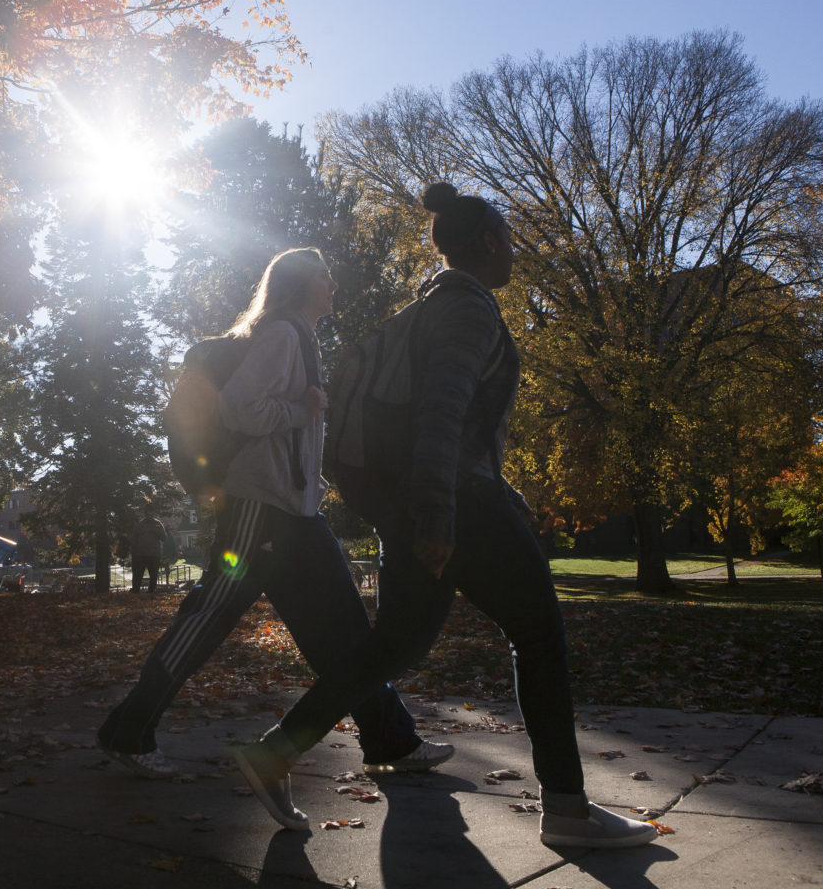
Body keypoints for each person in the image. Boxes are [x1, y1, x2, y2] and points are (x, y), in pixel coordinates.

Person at [231, 186, 658, 849]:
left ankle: (277, 750)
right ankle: (569, 810)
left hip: (421, 498)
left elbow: (455, 424)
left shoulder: (425, 309)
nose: (513, 252)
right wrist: (439, 511)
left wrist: (463, 496)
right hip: (451, 502)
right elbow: (441, 409)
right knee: (539, 633)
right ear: (488, 244)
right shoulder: (466, 307)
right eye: (509, 240)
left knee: (395, 644)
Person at [97, 248, 455, 779]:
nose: (333, 283)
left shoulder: (301, 337)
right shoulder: (282, 334)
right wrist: (301, 410)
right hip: (260, 509)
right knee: (206, 621)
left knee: (345, 631)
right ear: (298, 284)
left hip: (297, 514)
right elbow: (240, 407)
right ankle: (128, 730)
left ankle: (391, 738)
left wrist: (310, 453)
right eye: (323, 275)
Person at [128, 514, 167, 593]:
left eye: (151, 511)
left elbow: (164, 538)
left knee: (153, 575)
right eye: (148, 511)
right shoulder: (140, 525)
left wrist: (158, 531)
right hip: (140, 554)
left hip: (153, 554)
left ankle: (151, 592)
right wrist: (133, 552)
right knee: (138, 576)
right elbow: (134, 539)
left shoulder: (157, 524)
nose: (150, 514)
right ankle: (136, 592)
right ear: (146, 513)